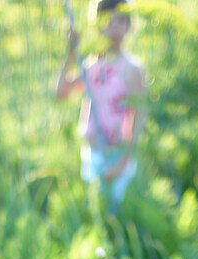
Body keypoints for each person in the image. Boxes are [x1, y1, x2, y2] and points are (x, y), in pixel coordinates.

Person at [56, 0, 146, 213]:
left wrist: (123, 162)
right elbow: (61, 93)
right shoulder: (91, 65)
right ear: (97, 23)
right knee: (96, 212)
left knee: (118, 212)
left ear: (129, 25)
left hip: (118, 154)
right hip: (94, 151)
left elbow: (139, 116)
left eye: (121, 20)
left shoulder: (132, 69)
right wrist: (70, 53)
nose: (114, 26)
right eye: (109, 19)